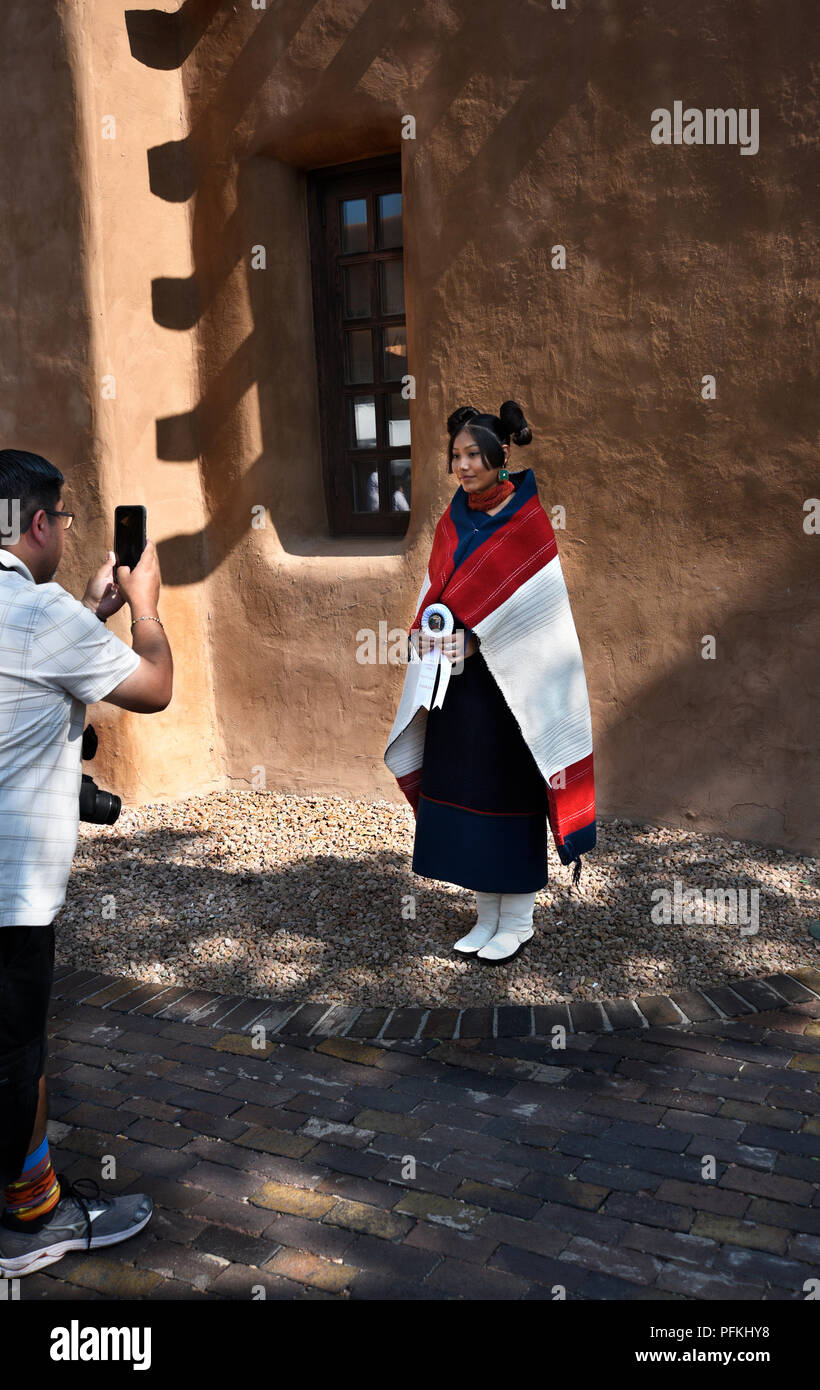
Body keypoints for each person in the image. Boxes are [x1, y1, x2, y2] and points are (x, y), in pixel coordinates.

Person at [0, 449, 173, 1277]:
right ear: (37, 523)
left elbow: (28, 663)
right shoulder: (42, 619)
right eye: (63, 519)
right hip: (12, 896)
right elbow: (154, 686)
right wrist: (144, 609)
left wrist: (86, 613)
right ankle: (32, 1217)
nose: (65, 532)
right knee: (17, 1050)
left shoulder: (43, 617)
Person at [384, 401, 596, 965]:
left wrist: (479, 638)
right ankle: (485, 917)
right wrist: (428, 635)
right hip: (457, 686)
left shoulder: (527, 519)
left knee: (507, 796)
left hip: (513, 693)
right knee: (466, 792)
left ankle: (518, 920)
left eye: (474, 455)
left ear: (500, 457)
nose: (463, 465)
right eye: (456, 455)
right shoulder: (454, 516)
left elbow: (535, 611)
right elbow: (440, 592)